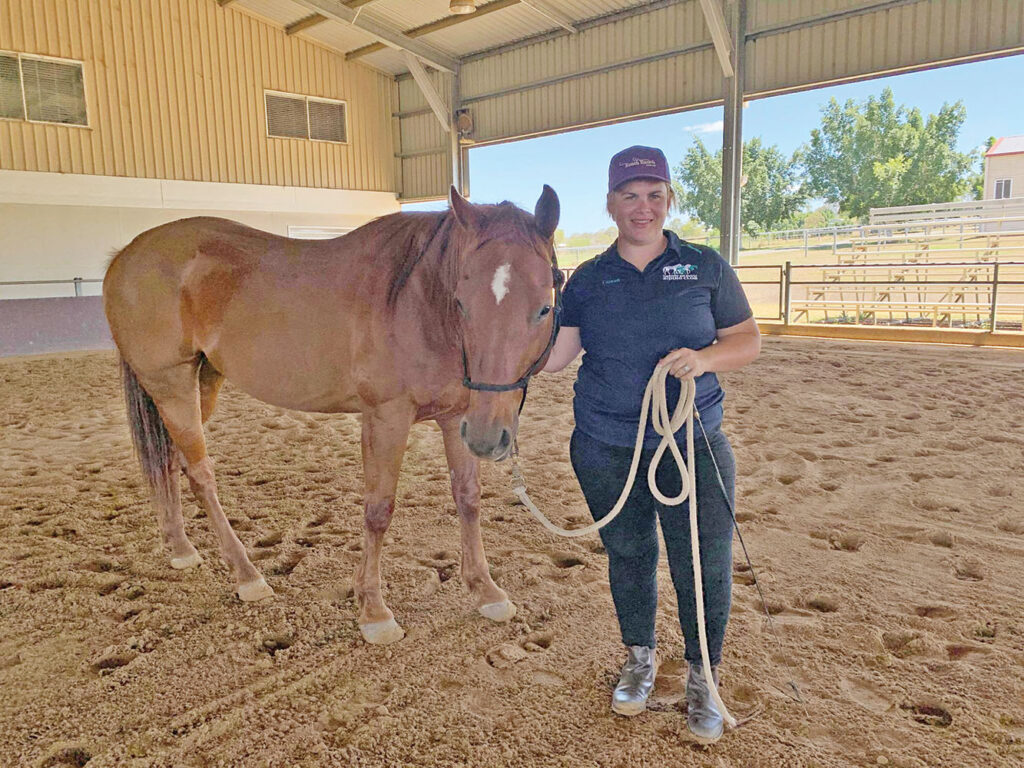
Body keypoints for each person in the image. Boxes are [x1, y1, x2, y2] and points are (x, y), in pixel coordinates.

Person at [542, 145, 761, 744]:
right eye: (630, 196)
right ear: (611, 204)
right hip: (605, 443)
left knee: (702, 563)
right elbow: (556, 359)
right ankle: (639, 656)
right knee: (629, 554)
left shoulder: (705, 266)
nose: (643, 208)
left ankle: (702, 677)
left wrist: (703, 357)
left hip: (692, 442)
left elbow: (746, 341)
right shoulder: (587, 279)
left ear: (669, 200)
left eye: (654, 195)